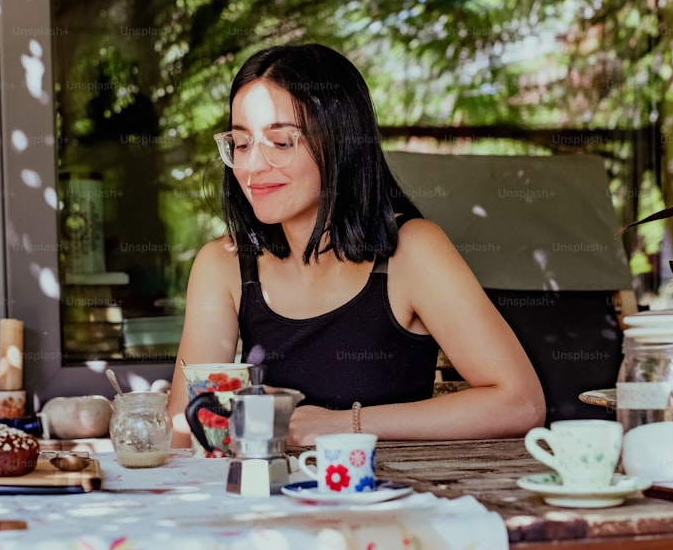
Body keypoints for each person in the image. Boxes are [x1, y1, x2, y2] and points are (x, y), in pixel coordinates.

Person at [167, 43, 544, 446]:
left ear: (340, 141)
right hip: (266, 504)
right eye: (241, 144)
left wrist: (342, 424)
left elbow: (520, 403)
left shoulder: (412, 250)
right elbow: (185, 429)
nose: (252, 166)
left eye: (281, 142)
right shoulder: (223, 264)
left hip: (397, 496)